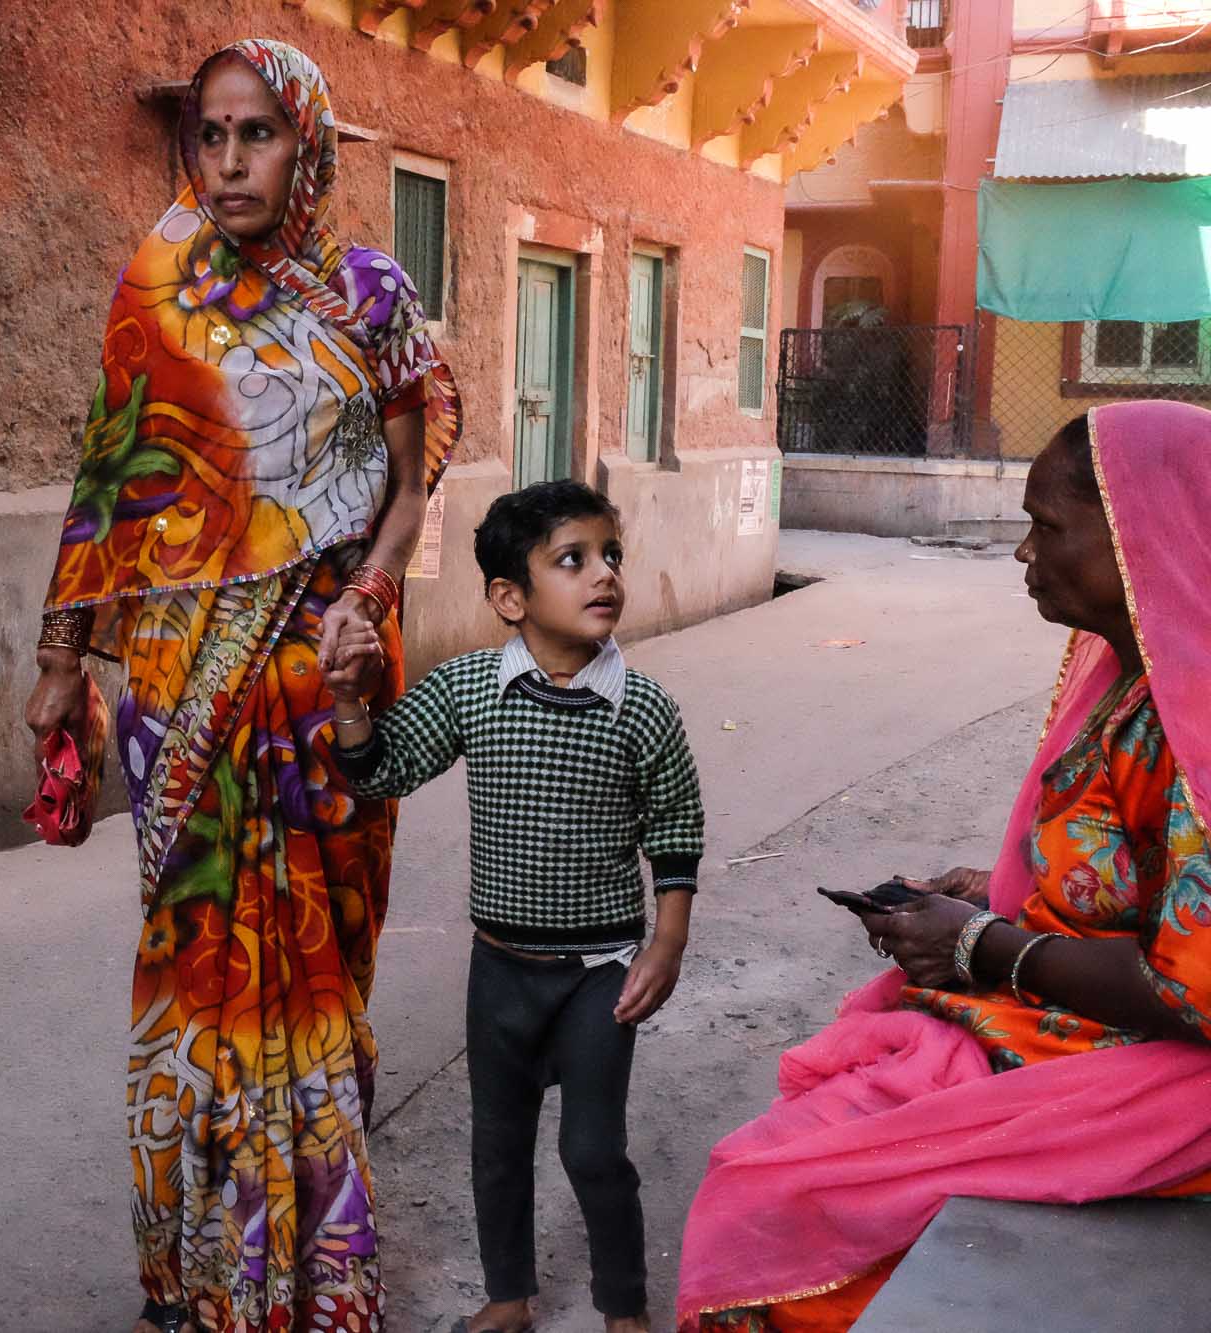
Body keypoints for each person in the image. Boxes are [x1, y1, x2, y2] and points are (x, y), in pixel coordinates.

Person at [22, 36, 461, 1333]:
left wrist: (372, 598)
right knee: (196, 971)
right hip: (177, 688)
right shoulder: (156, 290)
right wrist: (60, 657)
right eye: (208, 135)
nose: (227, 160)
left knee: (314, 974)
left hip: (322, 683)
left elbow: (409, 469)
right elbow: (110, 477)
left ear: (307, 143)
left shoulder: (369, 293)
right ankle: (202, 1274)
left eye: (255, 132)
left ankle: (318, 1275)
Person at [674, 402, 1211, 1332]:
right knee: (783, 1157)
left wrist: (980, 945)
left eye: (1046, 526)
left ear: (1137, 535)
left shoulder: (1191, 717)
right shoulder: (1123, 673)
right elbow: (1113, 875)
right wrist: (990, 896)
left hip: (1159, 1070)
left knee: (772, 1195)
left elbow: (1194, 990)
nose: (1022, 553)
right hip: (1063, 1021)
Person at [325, 482, 706, 1333]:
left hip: (600, 974)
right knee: (498, 1149)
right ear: (509, 597)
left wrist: (668, 938)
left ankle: (624, 1307)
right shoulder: (469, 690)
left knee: (592, 1150)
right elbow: (381, 769)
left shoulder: (642, 711)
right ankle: (509, 1297)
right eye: (572, 560)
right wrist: (351, 700)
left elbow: (676, 827)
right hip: (498, 968)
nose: (602, 574)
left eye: (611, 555)